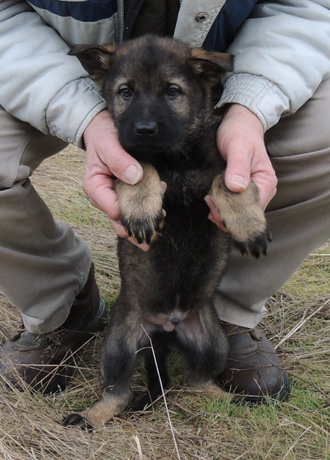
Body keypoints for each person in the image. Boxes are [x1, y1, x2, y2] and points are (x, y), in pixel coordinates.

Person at [0, 0, 329, 399]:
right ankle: (66, 304)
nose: (146, 120)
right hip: (53, 69)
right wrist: (86, 117)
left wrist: (252, 105)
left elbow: (306, 8)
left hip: (235, 68)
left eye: (168, 93)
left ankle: (219, 308)